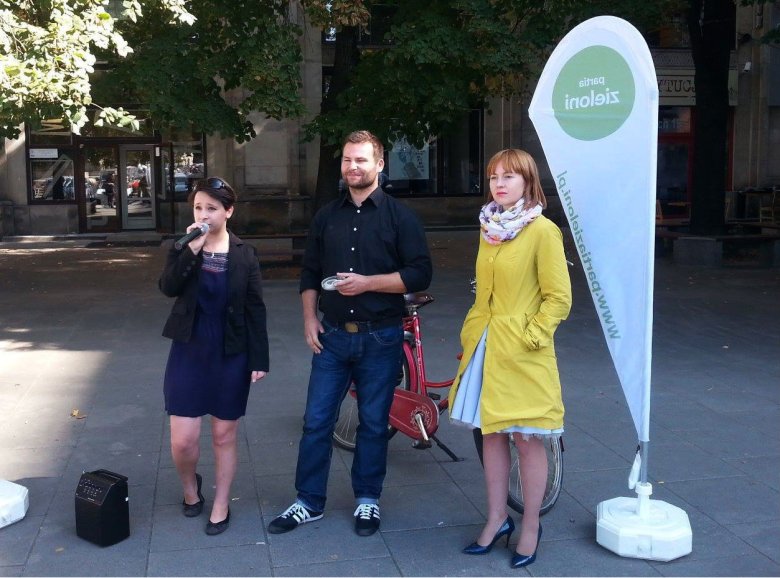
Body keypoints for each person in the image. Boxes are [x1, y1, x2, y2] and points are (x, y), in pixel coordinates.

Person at [268, 130, 432, 537]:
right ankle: (308, 502)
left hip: (381, 337)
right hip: (333, 336)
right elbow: (309, 273)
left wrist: (369, 283)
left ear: (379, 164)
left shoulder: (400, 216)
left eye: (361, 160)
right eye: (346, 160)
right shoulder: (327, 216)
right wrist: (309, 318)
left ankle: (367, 501)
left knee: (374, 425)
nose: (352, 167)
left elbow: (419, 273)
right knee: (317, 421)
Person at [449, 149, 571, 568]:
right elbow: (484, 292)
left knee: (527, 438)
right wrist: (472, 335)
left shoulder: (542, 231)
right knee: (491, 434)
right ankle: (498, 518)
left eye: (509, 177)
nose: (499, 184)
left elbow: (558, 298)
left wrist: (530, 336)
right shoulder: (488, 229)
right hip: (487, 343)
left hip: (523, 349)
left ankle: (531, 525)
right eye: (493, 177)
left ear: (527, 182)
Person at [159, 177, 269, 536]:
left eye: (211, 208)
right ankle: (191, 490)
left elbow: (255, 309)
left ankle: (221, 503)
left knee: (224, 435)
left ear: (228, 211)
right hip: (189, 349)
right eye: (198, 207)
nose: (203, 214)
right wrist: (192, 249)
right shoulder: (184, 246)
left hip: (231, 352)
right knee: (183, 439)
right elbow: (168, 287)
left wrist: (259, 359)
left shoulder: (244, 254)